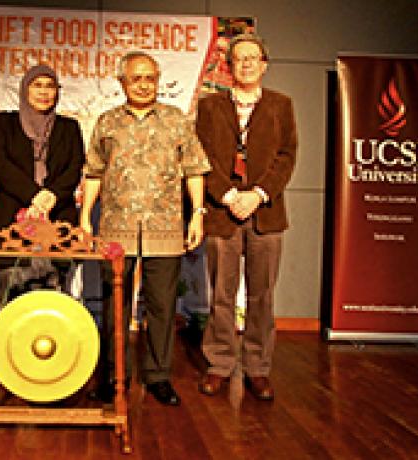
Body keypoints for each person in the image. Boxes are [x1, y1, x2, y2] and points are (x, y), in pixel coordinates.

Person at [80, 51, 211, 406]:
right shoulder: (107, 122)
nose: (143, 84)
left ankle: (158, 376)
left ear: (157, 80)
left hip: (165, 228)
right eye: (135, 78)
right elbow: (93, 172)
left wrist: (197, 213)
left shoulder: (176, 120)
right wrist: (83, 217)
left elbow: (194, 170)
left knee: (162, 305)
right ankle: (112, 375)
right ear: (122, 82)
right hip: (116, 228)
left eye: (149, 78)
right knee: (114, 305)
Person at [195, 33, 297, 401]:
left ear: (264, 65)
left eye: (254, 58)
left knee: (262, 295)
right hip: (222, 213)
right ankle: (220, 363)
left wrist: (257, 194)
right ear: (229, 66)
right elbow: (199, 158)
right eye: (240, 59)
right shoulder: (209, 107)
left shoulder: (281, 105)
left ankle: (258, 367)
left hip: (266, 214)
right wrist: (227, 194)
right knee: (221, 294)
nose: (247, 64)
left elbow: (287, 157)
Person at [0, 64, 84, 231]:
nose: (44, 92)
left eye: (50, 86)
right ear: (25, 89)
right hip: (9, 216)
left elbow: (74, 168)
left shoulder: (69, 127)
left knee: (60, 256)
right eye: (37, 85)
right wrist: (35, 196)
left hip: (59, 214)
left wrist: (51, 196)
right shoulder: (5, 123)